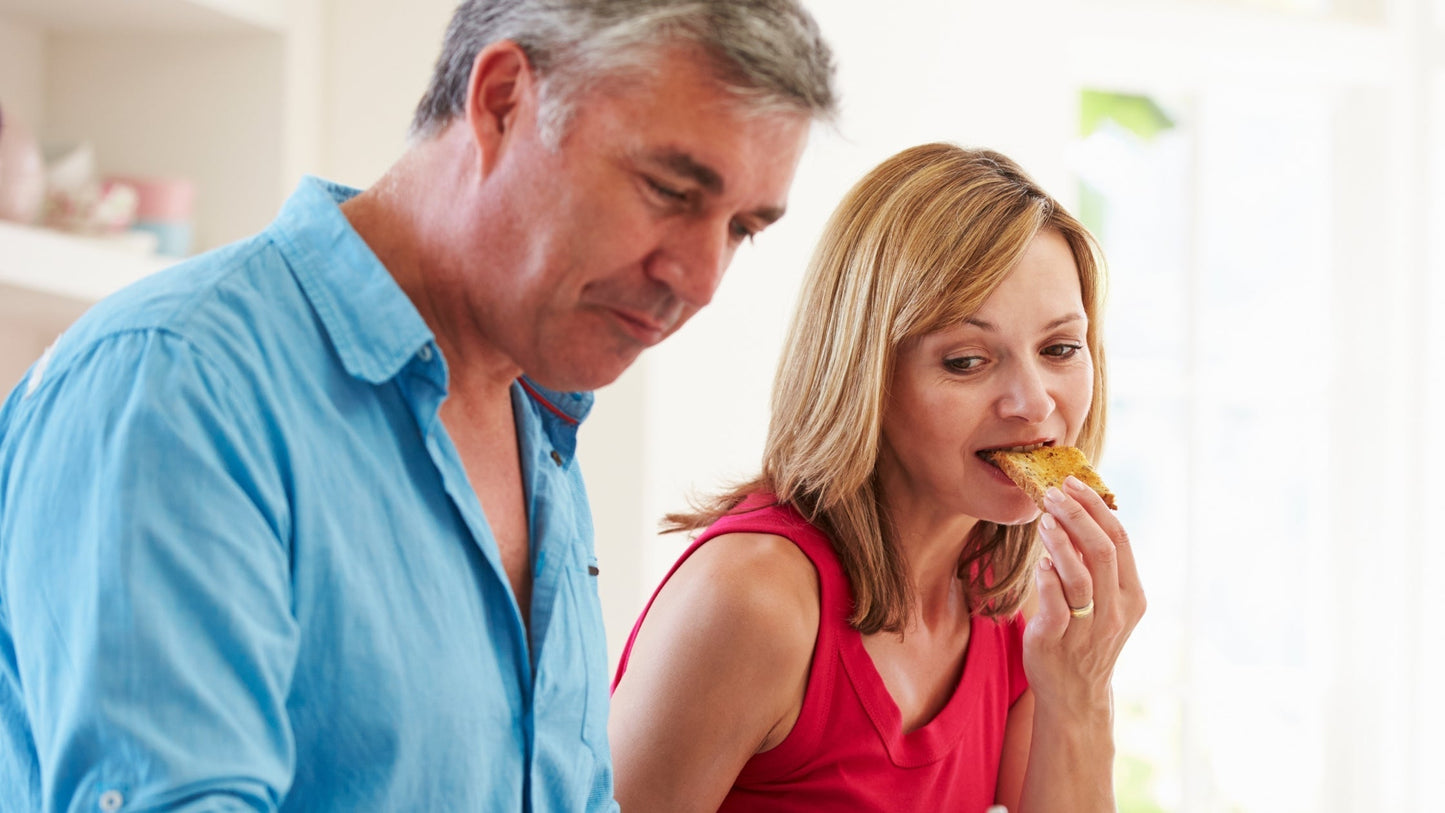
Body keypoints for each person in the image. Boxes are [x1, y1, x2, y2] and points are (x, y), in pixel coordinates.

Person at [0, 1, 836, 810]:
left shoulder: (535, 418)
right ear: (503, 99)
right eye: (668, 189)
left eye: (741, 229)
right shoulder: (179, 384)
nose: (699, 278)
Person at [609, 143, 1146, 812]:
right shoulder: (751, 601)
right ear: (866, 375)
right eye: (966, 360)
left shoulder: (1020, 608)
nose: (1033, 402)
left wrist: (1080, 690)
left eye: (1059, 348)